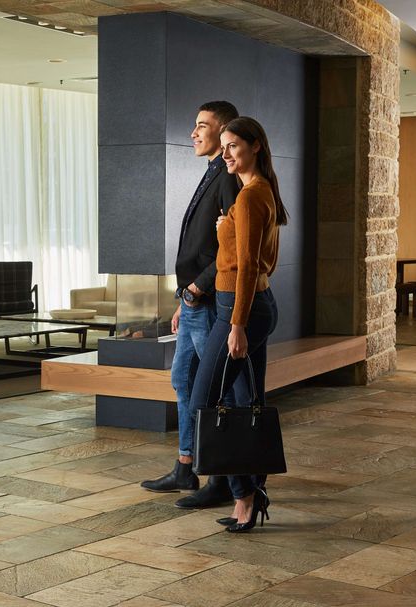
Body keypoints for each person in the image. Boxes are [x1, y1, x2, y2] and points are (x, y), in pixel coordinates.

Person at [187, 116, 287, 532]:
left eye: (233, 146)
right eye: (224, 146)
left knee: (204, 403)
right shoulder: (261, 191)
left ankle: (243, 495)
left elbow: (247, 266)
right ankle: (253, 489)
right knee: (247, 403)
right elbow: (265, 263)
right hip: (256, 303)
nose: (225, 153)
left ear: (255, 146)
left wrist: (237, 325)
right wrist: (226, 229)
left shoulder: (248, 198)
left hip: (239, 310)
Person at [140, 101, 240, 510]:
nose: (193, 133)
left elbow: (233, 244)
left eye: (202, 126)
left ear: (224, 131)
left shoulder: (228, 177)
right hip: (194, 302)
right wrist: (185, 298)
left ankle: (222, 479)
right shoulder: (212, 171)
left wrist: (199, 287)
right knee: (182, 381)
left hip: (210, 301)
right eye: (195, 125)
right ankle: (186, 465)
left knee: (216, 392)